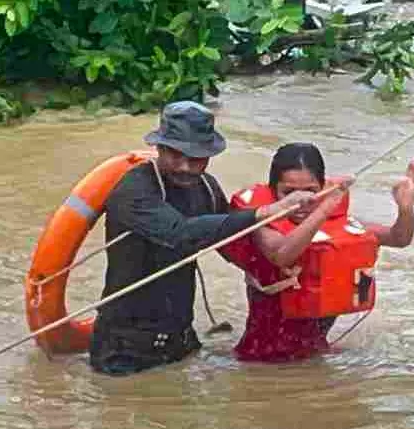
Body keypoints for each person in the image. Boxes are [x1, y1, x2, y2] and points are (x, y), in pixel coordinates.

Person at [89, 101, 318, 376]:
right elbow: (180, 234)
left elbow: (232, 242)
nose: (185, 167)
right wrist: (265, 211)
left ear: (209, 156)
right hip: (124, 350)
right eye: (175, 155)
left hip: (181, 342)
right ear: (159, 148)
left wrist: (272, 270)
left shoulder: (207, 188)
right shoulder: (135, 190)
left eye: (196, 158)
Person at [221, 143, 414, 363]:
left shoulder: (333, 224)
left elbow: (398, 238)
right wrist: (323, 208)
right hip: (260, 361)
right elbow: (282, 255)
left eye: (311, 192)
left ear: (323, 187)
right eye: (289, 192)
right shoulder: (263, 225)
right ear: (273, 190)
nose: (302, 201)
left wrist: (405, 208)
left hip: (316, 353)